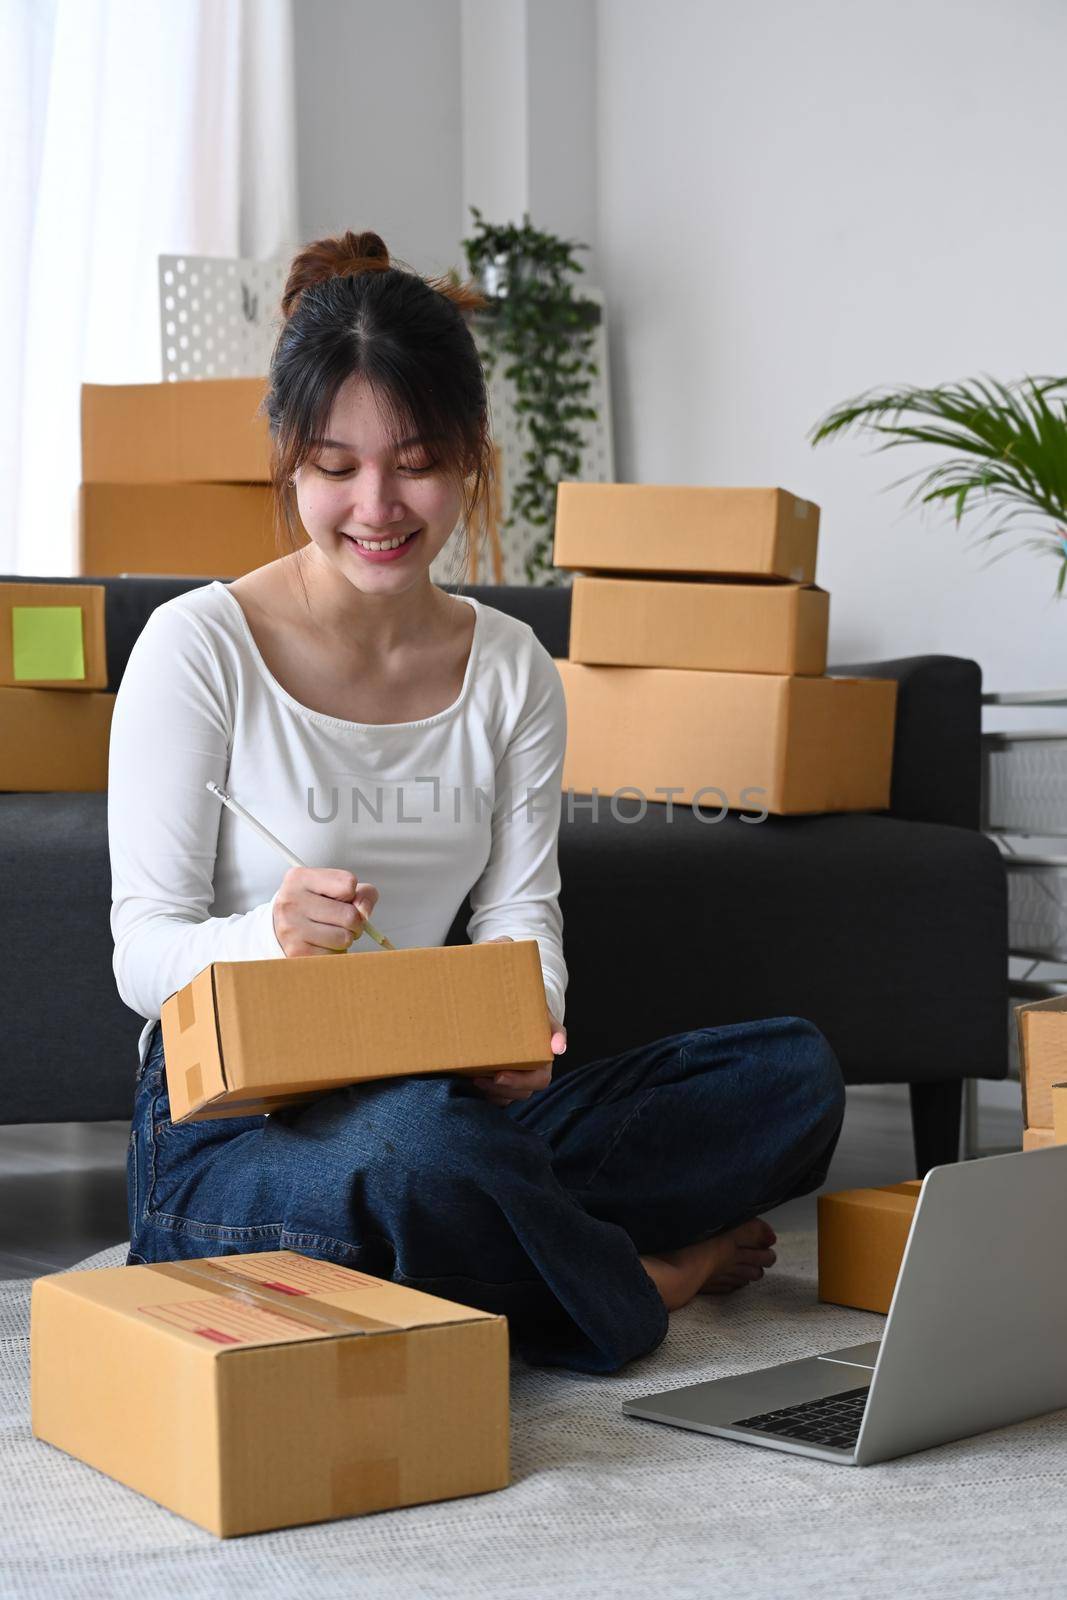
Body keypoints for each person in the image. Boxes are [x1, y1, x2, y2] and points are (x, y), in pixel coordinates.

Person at [111, 229, 846, 1375]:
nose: (377, 505)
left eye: (415, 461)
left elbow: (520, 912)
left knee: (785, 1073)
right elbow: (138, 950)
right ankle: (647, 1279)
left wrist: (529, 1021)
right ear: (290, 463)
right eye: (334, 465)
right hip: (228, 1136)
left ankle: (486, 1250)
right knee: (424, 1154)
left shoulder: (507, 666)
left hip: (442, 1089)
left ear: (469, 456)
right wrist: (269, 936)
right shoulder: (197, 647)